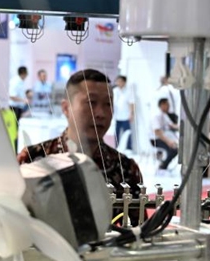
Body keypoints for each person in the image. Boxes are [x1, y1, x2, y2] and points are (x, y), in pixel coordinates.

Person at [17, 69, 143, 224]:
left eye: (108, 104)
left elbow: (140, 232)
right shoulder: (33, 159)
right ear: (66, 108)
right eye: (91, 103)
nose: (100, 113)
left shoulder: (125, 169)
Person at [152, 98, 180, 173]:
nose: (169, 107)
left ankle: (163, 165)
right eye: (167, 105)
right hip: (155, 139)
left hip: (163, 138)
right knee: (174, 149)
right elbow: (157, 132)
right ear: (162, 105)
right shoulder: (156, 116)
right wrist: (168, 142)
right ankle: (163, 166)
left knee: (176, 148)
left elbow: (172, 125)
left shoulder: (164, 115)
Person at [113, 75, 135, 151]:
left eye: (120, 81)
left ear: (124, 82)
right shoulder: (115, 91)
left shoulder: (128, 91)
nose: (118, 82)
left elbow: (131, 103)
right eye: (117, 81)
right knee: (116, 133)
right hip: (117, 116)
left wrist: (131, 114)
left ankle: (129, 148)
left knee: (127, 133)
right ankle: (116, 148)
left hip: (126, 116)